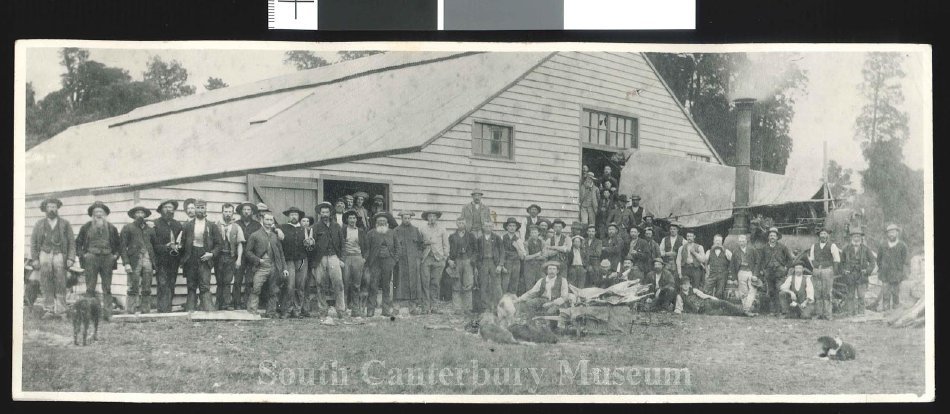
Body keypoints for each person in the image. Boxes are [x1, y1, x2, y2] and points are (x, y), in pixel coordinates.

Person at [75, 201, 121, 320]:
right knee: (90, 287)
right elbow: (78, 244)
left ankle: (108, 313)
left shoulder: (111, 228)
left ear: (105, 214)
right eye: (96, 212)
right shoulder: (86, 227)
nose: (99, 214)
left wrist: (115, 256)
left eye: (101, 212)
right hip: (91, 258)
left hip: (107, 258)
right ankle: (89, 313)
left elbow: (118, 245)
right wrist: (83, 255)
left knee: (107, 287)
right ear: (92, 214)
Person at [31, 198, 76, 317]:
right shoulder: (39, 224)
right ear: (45, 209)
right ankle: (49, 309)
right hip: (44, 253)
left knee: (61, 280)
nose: (52, 209)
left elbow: (71, 242)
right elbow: (33, 242)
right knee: (45, 281)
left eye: (54, 207)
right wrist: (35, 259)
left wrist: (71, 258)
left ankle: (61, 310)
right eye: (49, 207)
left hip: (59, 253)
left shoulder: (65, 224)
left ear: (57, 208)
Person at [179, 200, 224, 312]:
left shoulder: (212, 226)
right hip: (191, 257)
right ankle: (190, 309)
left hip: (205, 257)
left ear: (205, 209)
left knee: (204, 285)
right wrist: (182, 257)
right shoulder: (187, 225)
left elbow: (219, 244)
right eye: (198, 207)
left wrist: (211, 254)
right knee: (191, 285)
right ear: (194, 209)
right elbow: (182, 243)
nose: (200, 210)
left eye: (202, 207)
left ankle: (208, 310)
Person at [244, 212, 289, 318]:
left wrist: (284, 268)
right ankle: (252, 312)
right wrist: (258, 260)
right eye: (267, 220)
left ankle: (271, 312)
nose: (269, 222)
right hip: (261, 266)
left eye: (271, 220)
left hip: (274, 266)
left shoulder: (275, 236)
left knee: (274, 290)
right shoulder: (255, 235)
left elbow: (281, 254)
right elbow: (248, 252)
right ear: (262, 220)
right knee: (256, 288)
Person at [119, 205, 158, 314]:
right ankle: (130, 311)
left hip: (148, 260)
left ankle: (145, 311)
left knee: (147, 287)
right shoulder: (127, 228)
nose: (140, 215)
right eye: (137, 213)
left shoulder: (150, 229)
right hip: (134, 261)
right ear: (133, 215)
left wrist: (154, 263)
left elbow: (155, 246)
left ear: (145, 215)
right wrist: (126, 263)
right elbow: (122, 247)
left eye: (142, 213)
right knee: (133, 286)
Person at [314, 202, 346, 318]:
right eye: (323, 212)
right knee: (320, 284)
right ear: (320, 213)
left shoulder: (336, 226)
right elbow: (311, 246)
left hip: (334, 257)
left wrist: (342, 259)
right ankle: (322, 310)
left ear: (330, 213)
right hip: (320, 259)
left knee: (338, 283)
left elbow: (342, 244)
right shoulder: (315, 227)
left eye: (327, 212)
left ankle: (341, 310)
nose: (325, 214)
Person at [365, 211, 399, 317]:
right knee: (373, 286)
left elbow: (398, 248)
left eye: (384, 221)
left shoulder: (392, 233)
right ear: (376, 223)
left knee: (386, 286)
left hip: (388, 262)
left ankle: (386, 310)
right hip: (375, 262)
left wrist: (394, 260)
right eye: (379, 221)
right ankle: (370, 310)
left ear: (387, 223)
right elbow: (366, 249)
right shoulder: (371, 233)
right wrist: (368, 262)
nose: (382, 223)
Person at [152, 200, 182, 313]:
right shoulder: (155, 224)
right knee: (162, 283)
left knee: (171, 282)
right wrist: (166, 247)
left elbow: (181, 240)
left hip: (174, 260)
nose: (168, 210)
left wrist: (178, 247)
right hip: (161, 259)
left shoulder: (177, 224)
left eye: (171, 207)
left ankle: (168, 307)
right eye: (166, 207)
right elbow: (153, 243)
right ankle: (162, 308)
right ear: (161, 210)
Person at [278, 206, 308, 318]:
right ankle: (287, 310)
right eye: (291, 215)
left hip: (302, 261)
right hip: (289, 260)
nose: (293, 217)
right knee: (290, 286)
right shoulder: (283, 227)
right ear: (288, 216)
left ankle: (297, 311)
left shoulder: (304, 229)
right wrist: (277, 230)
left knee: (300, 286)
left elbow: (310, 246)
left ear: (299, 216)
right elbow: (272, 227)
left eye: (295, 214)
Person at [215, 203, 245, 311]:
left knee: (227, 281)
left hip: (230, 257)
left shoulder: (236, 227)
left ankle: (226, 304)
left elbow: (240, 244)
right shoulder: (216, 225)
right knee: (219, 281)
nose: (228, 214)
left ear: (233, 213)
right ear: (222, 212)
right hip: (218, 257)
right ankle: (218, 303)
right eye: (226, 211)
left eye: (230, 212)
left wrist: (239, 259)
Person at [418, 210, 449, 314]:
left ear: (437, 218)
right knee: (425, 283)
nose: (432, 218)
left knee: (435, 283)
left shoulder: (442, 229)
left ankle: (434, 306)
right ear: (427, 218)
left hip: (438, 259)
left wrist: (445, 257)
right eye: (430, 216)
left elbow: (446, 245)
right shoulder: (422, 229)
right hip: (426, 258)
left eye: (434, 216)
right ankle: (425, 307)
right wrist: (424, 243)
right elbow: (419, 244)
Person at [674, 278, 755, 317]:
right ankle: (742, 313)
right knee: (722, 313)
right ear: (681, 286)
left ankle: (745, 312)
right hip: (702, 310)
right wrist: (677, 312)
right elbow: (678, 308)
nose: (686, 286)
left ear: (689, 284)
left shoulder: (694, 290)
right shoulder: (680, 296)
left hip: (707, 302)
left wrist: (713, 298)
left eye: (687, 284)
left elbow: (704, 295)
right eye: (684, 284)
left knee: (724, 303)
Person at [807, 228, 841, 320]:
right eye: (821, 234)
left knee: (827, 293)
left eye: (825, 234)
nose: (823, 236)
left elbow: (836, 260)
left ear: (827, 235)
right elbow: (812, 259)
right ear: (819, 236)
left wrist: (832, 272)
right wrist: (815, 268)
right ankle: (818, 314)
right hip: (817, 271)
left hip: (827, 270)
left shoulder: (832, 246)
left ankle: (827, 314)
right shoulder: (814, 246)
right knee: (817, 293)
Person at [841, 226, 875, 315]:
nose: (856, 238)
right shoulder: (846, 249)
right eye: (854, 236)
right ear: (851, 238)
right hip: (850, 275)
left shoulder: (866, 249)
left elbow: (872, 262)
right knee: (850, 296)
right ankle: (850, 313)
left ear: (861, 238)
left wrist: (867, 271)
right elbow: (841, 262)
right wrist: (844, 271)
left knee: (861, 296)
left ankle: (861, 313)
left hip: (861, 276)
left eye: (858, 236)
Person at [233, 202, 261, 309]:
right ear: (241, 212)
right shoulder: (236, 224)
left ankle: (247, 303)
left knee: (250, 280)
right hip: (238, 255)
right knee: (237, 280)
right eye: (244, 210)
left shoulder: (257, 225)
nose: (246, 212)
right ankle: (236, 303)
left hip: (252, 255)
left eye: (248, 210)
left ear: (252, 212)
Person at [759, 227, 793, 315]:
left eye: (774, 236)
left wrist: (786, 268)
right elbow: (760, 261)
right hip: (769, 273)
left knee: (779, 290)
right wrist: (763, 269)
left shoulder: (782, 247)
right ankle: (772, 311)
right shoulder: (764, 248)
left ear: (777, 237)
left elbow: (790, 259)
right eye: (770, 236)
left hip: (780, 273)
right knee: (770, 291)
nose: (772, 237)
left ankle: (780, 310)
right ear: (768, 237)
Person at [394, 211, 424, 308]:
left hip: (413, 260)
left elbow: (421, 244)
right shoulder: (396, 230)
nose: (407, 220)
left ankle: (413, 303)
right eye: (405, 218)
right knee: (400, 280)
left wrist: (418, 256)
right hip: (401, 260)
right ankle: (400, 302)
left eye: (408, 218)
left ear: (410, 219)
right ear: (401, 219)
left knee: (414, 280)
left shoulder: (415, 230)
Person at [340, 210, 366, 317]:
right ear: (347, 219)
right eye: (350, 218)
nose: (352, 220)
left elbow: (365, 246)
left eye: (354, 218)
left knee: (356, 284)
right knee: (345, 283)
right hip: (346, 257)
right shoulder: (343, 230)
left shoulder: (361, 231)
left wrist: (363, 258)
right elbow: (339, 244)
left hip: (357, 257)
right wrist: (341, 258)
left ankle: (355, 309)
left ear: (356, 220)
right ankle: (344, 308)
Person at [876, 224, 909, 311]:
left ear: (897, 233)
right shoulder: (883, 245)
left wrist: (902, 273)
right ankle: (886, 311)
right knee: (885, 294)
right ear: (887, 234)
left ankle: (895, 311)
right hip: (885, 274)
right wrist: (882, 269)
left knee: (895, 293)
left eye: (893, 232)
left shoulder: (902, 246)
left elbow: (906, 261)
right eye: (889, 232)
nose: (891, 234)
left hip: (897, 274)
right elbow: (878, 259)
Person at [448, 218, 477, 314]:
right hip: (456, 261)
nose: (461, 224)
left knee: (468, 284)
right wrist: (450, 260)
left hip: (467, 261)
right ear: (456, 224)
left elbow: (475, 250)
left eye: (463, 223)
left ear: (465, 224)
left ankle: (467, 308)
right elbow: (448, 250)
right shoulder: (452, 236)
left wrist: (472, 260)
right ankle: (457, 308)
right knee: (456, 284)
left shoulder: (471, 236)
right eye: (459, 223)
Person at [474, 222, 504, 313]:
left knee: (497, 285)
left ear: (492, 227)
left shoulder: (497, 238)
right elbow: (476, 253)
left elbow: (502, 252)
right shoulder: (479, 239)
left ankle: (498, 306)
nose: (488, 228)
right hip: (483, 263)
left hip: (494, 263)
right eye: (486, 226)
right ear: (483, 227)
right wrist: (477, 266)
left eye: (490, 226)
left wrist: (500, 265)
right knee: (483, 285)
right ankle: (485, 307)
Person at [730, 234, 759, 313]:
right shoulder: (735, 251)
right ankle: (747, 310)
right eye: (740, 241)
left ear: (746, 241)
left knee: (753, 289)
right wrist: (734, 278)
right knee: (743, 291)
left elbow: (757, 262)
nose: (741, 243)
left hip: (750, 272)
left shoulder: (752, 250)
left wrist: (755, 274)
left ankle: (746, 308)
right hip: (741, 272)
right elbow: (732, 266)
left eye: (743, 241)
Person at [703, 234, 732, 298]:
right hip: (712, 274)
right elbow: (705, 263)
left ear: (722, 242)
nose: (718, 243)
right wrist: (707, 272)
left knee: (719, 293)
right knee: (706, 290)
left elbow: (733, 262)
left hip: (722, 275)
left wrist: (728, 271)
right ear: (713, 241)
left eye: (719, 241)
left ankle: (718, 303)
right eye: (716, 241)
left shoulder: (726, 252)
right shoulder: (709, 252)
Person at [500, 217, 524, 295]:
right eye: (510, 226)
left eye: (514, 226)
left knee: (514, 282)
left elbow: (522, 257)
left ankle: (513, 299)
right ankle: (503, 299)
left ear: (516, 227)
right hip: (506, 262)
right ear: (507, 227)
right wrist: (501, 265)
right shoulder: (502, 238)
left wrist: (517, 247)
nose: (512, 227)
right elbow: (499, 252)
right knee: (504, 282)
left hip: (516, 263)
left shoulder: (519, 240)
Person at [521, 224, 546, 294]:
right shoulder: (526, 243)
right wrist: (536, 254)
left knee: (541, 283)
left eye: (535, 232)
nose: (534, 234)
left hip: (540, 266)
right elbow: (526, 257)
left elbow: (544, 256)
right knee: (529, 285)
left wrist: (532, 256)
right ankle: (529, 299)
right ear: (530, 234)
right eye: (532, 232)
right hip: (529, 267)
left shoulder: (542, 242)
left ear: (538, 233)